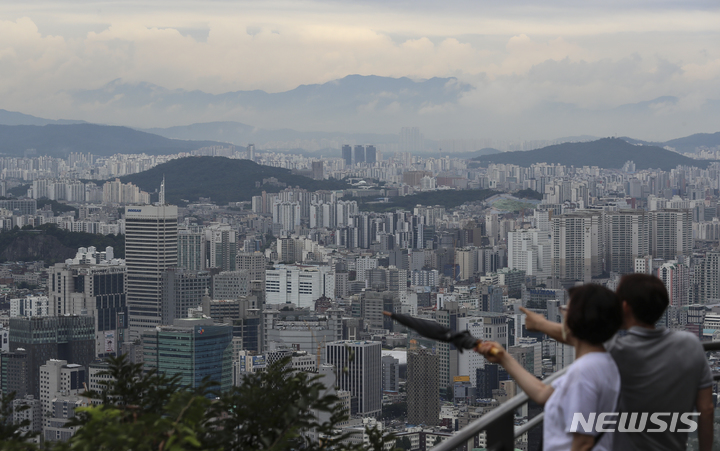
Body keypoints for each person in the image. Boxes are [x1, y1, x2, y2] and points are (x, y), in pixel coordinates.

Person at [520, 274, 713, 451]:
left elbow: (580, 334)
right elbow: (706, 408)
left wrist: (540, 324)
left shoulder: (617, 351)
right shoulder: (691, 345)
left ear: (625, 307)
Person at [478, 284, 623, 451]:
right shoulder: (605, 362)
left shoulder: (584, 372)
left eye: (565, 309)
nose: (562, 313)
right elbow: (544, 394)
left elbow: (583, 443)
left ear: (575, 319)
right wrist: (504, 359)